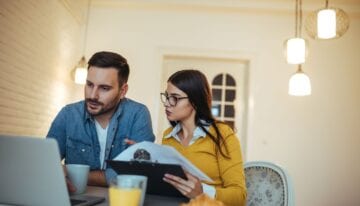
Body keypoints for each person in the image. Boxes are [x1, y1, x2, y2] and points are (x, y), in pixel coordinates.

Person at [47, 51, 155, 190]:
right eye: (90, 85)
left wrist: (69, 172)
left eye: (104, 88)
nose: (93, 95)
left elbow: (138, 173)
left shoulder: (137, 114)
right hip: (77, 198)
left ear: (123, 91)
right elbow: (47, 164)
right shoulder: (68, 114)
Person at [161, 70, 246, 206]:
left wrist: (201, 192)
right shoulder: (167, 136)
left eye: (175, 98)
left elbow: (239, 196)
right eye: (167, 96)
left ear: (195, 101)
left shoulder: (223, 135)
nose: (166, 103)